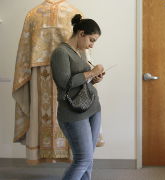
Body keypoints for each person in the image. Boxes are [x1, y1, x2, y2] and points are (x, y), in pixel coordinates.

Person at [50, 14, 104, 180]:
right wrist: (91, 72)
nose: (92, 45)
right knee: (83, 159)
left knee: (88, 159)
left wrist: (93, 80)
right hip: (73, 113)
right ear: (81, 34)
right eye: (91, 40)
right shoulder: (61, 52)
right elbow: (65, 83)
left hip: (92, 108)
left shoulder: (80, 52)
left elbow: (79, 85)